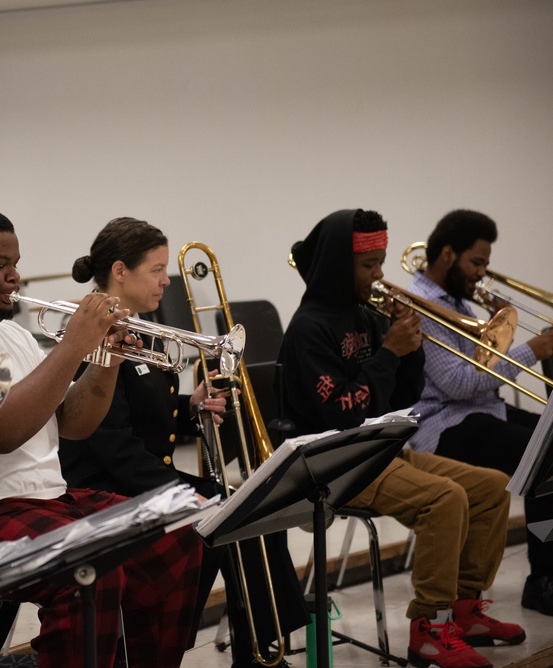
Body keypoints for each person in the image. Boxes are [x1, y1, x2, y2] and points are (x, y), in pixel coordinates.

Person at [0, 203, 204, 668]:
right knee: (86, 566)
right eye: (0, 265)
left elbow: (73, 423)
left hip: (42, 501)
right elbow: (1, 433)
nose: (15, 277)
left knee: (174, 535)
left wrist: (106, 360)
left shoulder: (13, 336)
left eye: (16, 264)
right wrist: (75, 344)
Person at [277, 209, 524, 668]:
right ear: (337, 265)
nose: (380, 275)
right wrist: (390, 351)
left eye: (381, 262)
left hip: (383, 449)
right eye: (368, 265)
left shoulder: (365, 315)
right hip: (335, 462)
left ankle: (467, 611)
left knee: (491, 489)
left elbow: (405, 398)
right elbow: (341, 412)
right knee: (445, 500)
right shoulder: (308, 331)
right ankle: (428, 628)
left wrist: (409, 352)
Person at [58, 217, 309, 668]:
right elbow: (110, 443)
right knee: (225, 514)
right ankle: (242, 652)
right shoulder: (92, 332)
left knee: (249, 508)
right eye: (155, 269)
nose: (166, 279)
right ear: (120, 271)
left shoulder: (138, 323)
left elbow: (143, 414)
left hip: (139, 476)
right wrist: (180, 493)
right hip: (106, 487)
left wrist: (190, 408)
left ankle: (261, 645)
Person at [407, 209, 553, 616]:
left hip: (480, 412)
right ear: (447, 255)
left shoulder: (455, 301)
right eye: (477, 263)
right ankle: (542, 579)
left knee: (550, 441)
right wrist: (532, 350)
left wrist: (495, 329)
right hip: (443, 424)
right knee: (543, 458)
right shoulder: (422, 305)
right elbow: (459, 383)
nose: (482, 274)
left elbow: (478, 375)